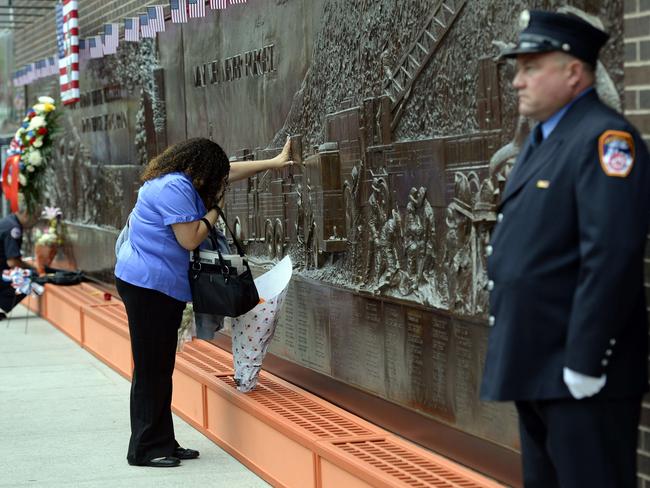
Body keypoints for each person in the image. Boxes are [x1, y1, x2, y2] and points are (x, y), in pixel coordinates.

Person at [480, 10, 650, 488]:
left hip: (579, 374)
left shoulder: (605, 140)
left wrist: (585, 361)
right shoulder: (542, 140)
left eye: (531, 67)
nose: (517, 81)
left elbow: (611, 255)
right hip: (537, 366)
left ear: (574, 71)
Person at [115, 137, 292, 468]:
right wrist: (214, 210)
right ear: (201, 170)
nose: (218, 182)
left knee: (158, 367)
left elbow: (230, 171)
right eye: (215, 176)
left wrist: (273, 162)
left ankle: (161, 440)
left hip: (153, 284)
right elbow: (190, 238)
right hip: (148, 287)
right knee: (151, 369)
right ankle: (145, 448)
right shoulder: (173, 188)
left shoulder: (176, 179)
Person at [0, 203, 40, 319]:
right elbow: (13, 262)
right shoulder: (14, 228)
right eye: (36, 217)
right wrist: (34, 269)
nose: (35, 222)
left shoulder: (8, 221)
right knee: (33, 278)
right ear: (27, 214)